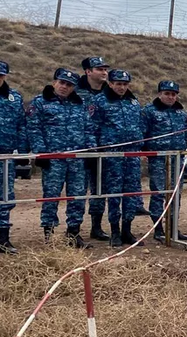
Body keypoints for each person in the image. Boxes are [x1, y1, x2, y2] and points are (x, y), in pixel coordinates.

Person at [26, 68, 96, 248]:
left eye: (69, 85)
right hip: (53, 158)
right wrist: (41, 153)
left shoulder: (80, 104)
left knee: (78, 196)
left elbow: (89, 129)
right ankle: (49, 236)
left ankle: (73, 234)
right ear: (55, 82)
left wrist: (91, 151)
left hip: (77, 159)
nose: (64, 87)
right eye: (62, 82)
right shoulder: (41, 103)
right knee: (51, 196)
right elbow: (34, 128)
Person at [91, 69, 145, 247]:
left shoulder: (133, 101)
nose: (122, 87)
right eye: (118, 84)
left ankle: (127, 230)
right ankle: (114, 230)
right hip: (111, 155)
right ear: (110, 83)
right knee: (114, 193)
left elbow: (140, 124)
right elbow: (92, 127)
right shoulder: (99, 101)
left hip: (132, 154)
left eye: (125, 84)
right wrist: (95, 151)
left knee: (130, 193)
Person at [0, 59, 28, 256]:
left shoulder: (14, 97)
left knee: (5, 199)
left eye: (0, 75)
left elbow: (21, 126)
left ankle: (3, 240)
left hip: (6, 157)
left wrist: (23, 152)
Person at [141, 80, 187, 242]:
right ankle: (158, 229)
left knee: (176, 194)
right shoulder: (149, 111)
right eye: (167, 94)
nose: (170, 97)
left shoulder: (181, 113)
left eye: (173, 94)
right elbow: (143, 132)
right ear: (159, 94)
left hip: (177, 158)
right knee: (158, 193)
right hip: (158, 159)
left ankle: (173, 227)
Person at [75, 56, 111, 241]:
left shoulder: (110, 93)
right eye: (99, 69)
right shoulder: (75, 91)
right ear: (88, 71)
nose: (104, 72)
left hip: (103, 149)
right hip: (80, 149)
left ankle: (96, 227)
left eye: (105, 69)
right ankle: (74, 230)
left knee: (99, 190)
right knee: (78, 191)